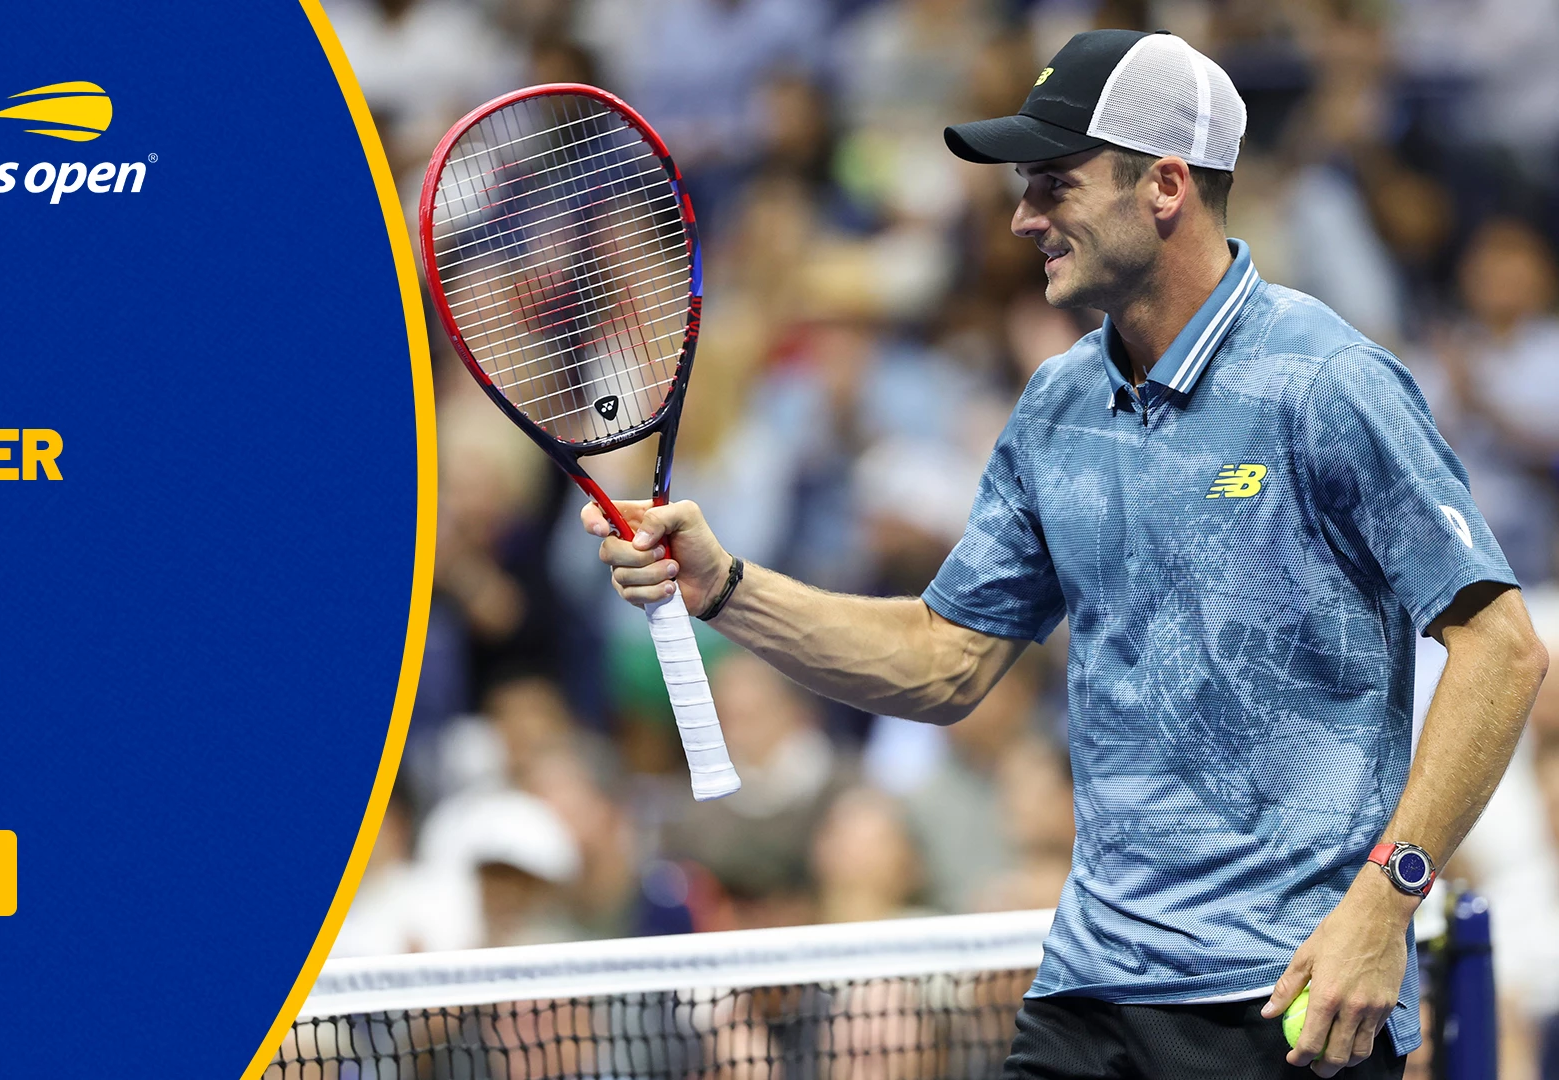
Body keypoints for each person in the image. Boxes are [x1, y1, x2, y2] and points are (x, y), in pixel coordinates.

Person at [582, 28, 1547, 1080]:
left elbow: (1502, 651)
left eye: (1055, 184)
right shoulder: (1057, 405)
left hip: (1283, 995)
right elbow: (942, 661)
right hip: (1087, 990)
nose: (1022, 217)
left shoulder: (1328, 383)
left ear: (1165, 186)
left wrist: (1387, 900)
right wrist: (724, 586)